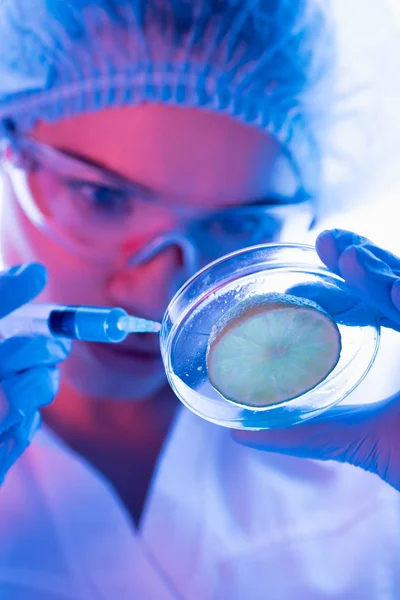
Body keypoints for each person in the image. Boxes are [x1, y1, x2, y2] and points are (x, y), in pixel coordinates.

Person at [0, 1, 400, 599]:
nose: (157, 290)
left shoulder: (366, 480)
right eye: (102, 197)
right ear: (9, 151)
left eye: (237, 226)